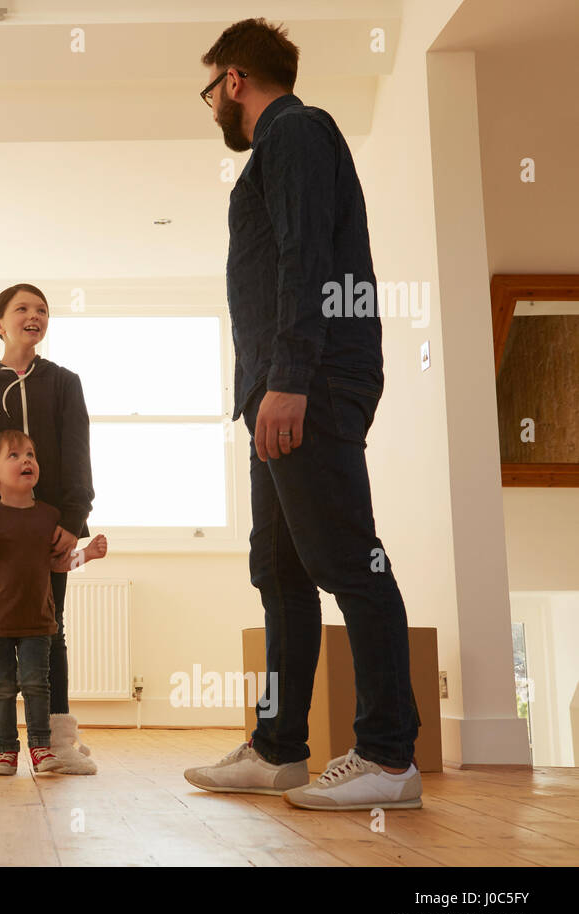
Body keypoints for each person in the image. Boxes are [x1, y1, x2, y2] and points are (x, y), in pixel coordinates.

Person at [184, 19, 422, 810]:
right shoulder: (279, 147)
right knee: (281, 574)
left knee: (350, 562)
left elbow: (304, 257)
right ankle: (278, 750)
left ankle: (389, 757)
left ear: (237, 80)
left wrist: (288, 379)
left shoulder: (293, 131)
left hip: (306, 384)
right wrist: (262, 390)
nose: (213, 103)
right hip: (275, 392)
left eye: (212, 87)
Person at [0, 283, 99, 775]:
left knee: (51, 630)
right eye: (23, 309)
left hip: (51, 528)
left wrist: (73, 521)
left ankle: (57, 744)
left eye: (42, 311)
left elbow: (78, 454)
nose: (35, 316)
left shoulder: (64, 383)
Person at [0, 429, 107, 775]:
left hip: (39, 624)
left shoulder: (49, 517)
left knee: (37, 685)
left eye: (30, 455)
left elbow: (57, 565)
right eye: (14, 456)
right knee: (3, 688)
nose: (27, 460)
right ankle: (6, 752)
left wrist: (86, 554)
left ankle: (41, 749)